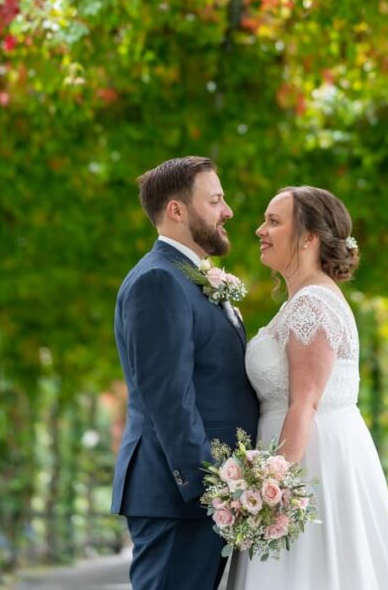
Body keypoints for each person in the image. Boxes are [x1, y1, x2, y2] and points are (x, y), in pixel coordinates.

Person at [226, 185, 388, 590]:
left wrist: (272, 492)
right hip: (302, 454)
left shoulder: (313, 304)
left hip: (311, 463)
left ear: (308, 237)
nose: (259, 230)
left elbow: (305, 403)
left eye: (273, 221)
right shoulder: (300, 300)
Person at [111, 156, 259, 590]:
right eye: (215, 200)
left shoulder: (188, 277)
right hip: (180, 496)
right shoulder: (157, 281)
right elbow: (169, 398)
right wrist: (210, 488)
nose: (228, 211)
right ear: (177, 210)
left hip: (201, 498)